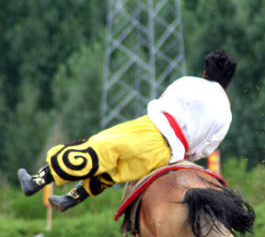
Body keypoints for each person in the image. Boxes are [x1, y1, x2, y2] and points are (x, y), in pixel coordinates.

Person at [18, 49, 237, 211]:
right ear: (228, 80)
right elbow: (206, 150)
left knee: (97, 148)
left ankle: (37, 181)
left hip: (152, 130)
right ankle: (73, 197)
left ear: (205, 73)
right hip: (172, 155)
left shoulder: (190, 82)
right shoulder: (226, 115)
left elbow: (164, 101)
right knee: (119, 169)